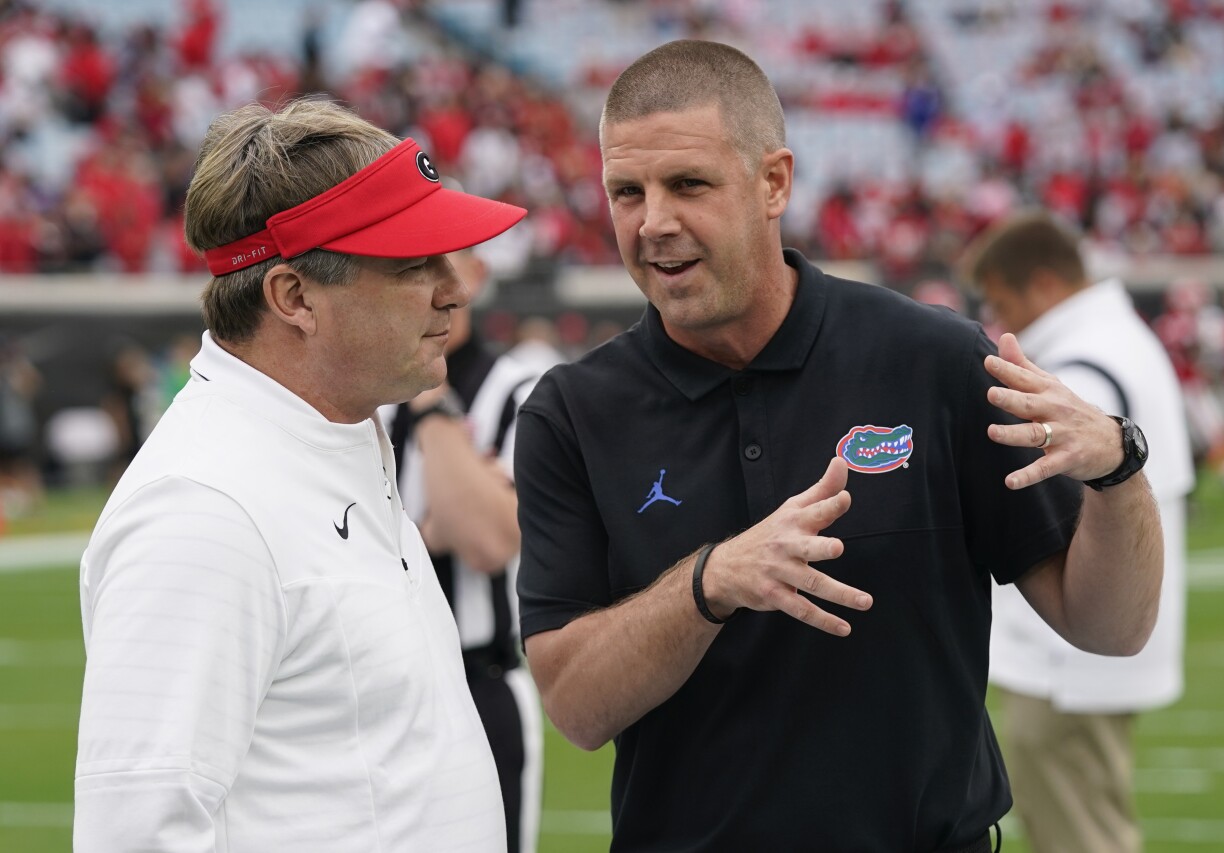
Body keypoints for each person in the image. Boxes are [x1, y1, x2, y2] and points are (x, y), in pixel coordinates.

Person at [512, 40, 1163, 852]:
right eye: (625, 191)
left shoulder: (935, 360)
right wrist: (713, 582)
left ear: (774, 181)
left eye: (688, 184)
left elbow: (1112, 625)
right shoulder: (569, 413)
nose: (654, 223)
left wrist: (1118, 467)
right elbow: (575, 706)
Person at [74, 98, 526, 852]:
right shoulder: (204, 508)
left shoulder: (337, 434)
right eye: (415, 262)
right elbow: (137, 833)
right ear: (293, 297)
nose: (456, 286)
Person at [964, 211, 1194, 853]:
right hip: (1104, 637)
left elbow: (1048, 493)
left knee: (1079, 833)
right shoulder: (1121, 337)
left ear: (1041, 284)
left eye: (1004, 301)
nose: (1000, 319)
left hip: (1069, 653)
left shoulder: (1082, 362)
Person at [384, 245, 552, 853]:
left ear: (477, 276)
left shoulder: (519, 386)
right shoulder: (363, 392)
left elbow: (485, 539)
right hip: (374, 689)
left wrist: (430, 405)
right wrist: (436, 521)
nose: (429, 284)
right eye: (408, 264)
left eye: (445, 263)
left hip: (475, 684)